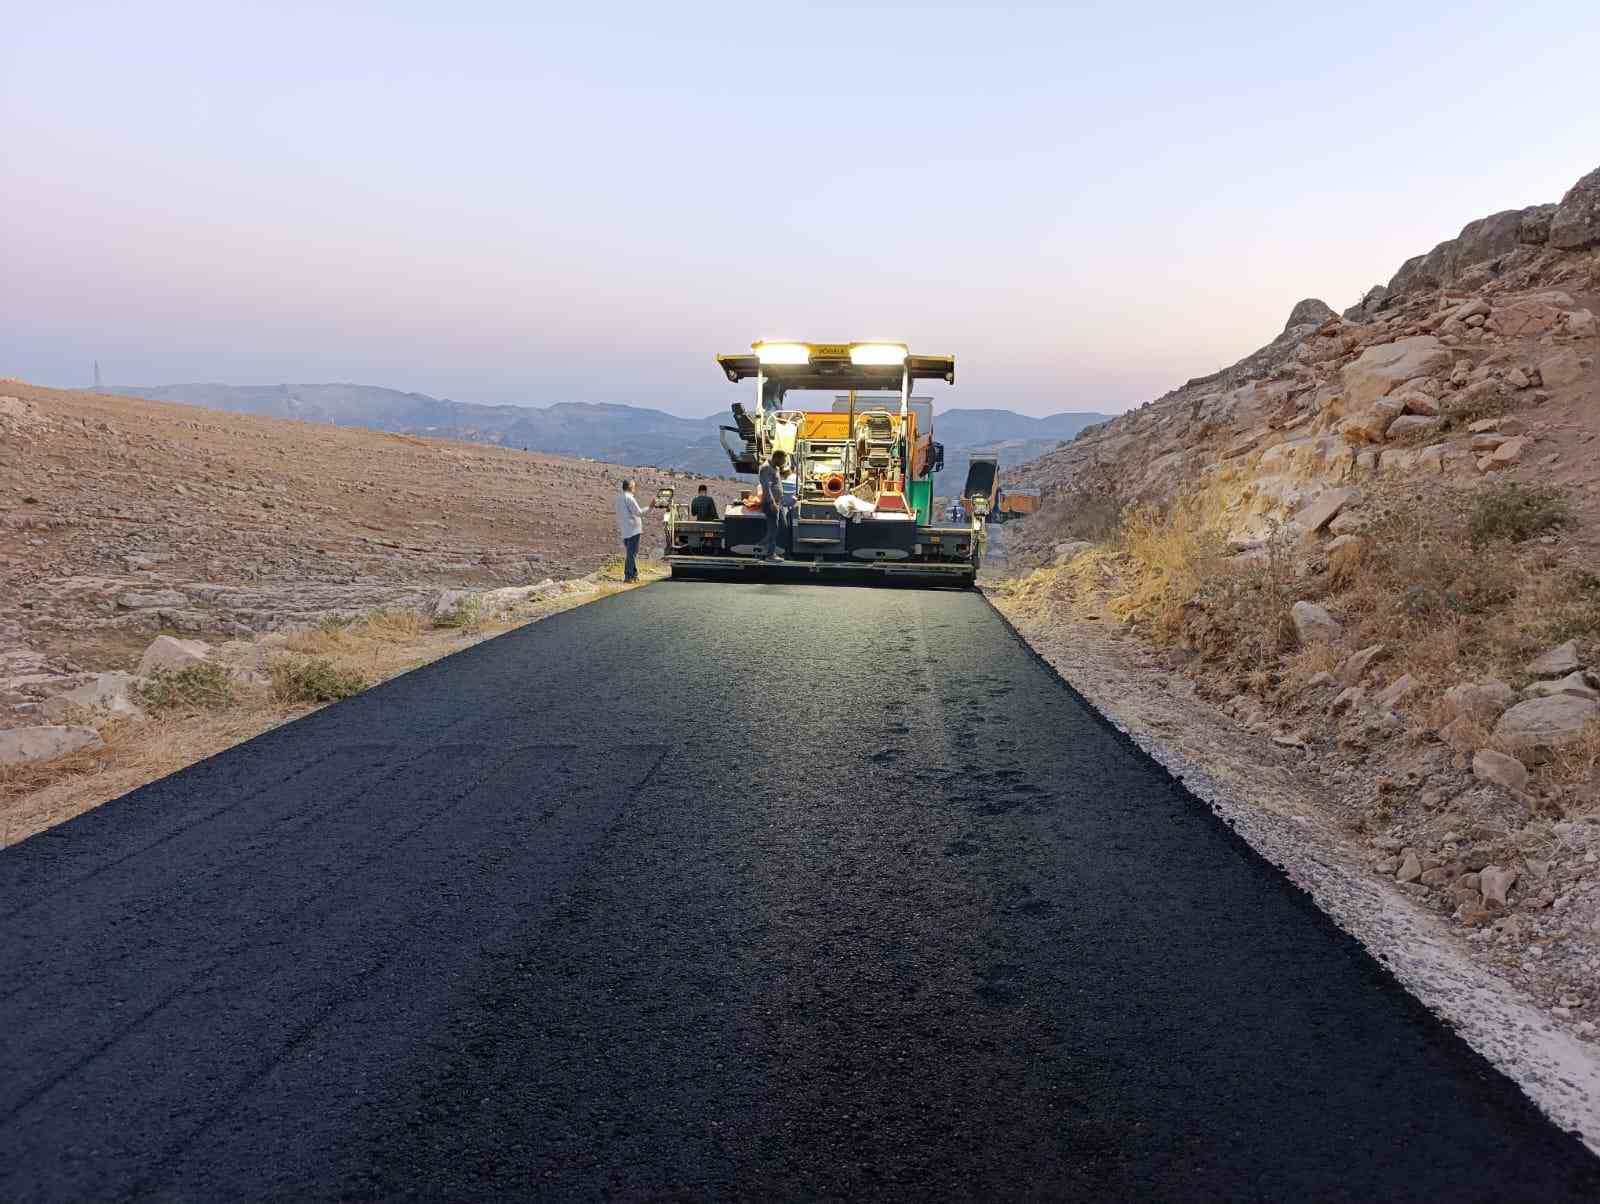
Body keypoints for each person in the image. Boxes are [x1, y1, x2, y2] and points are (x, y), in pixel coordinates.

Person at [614, 478, 653, 583]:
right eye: (634, 486)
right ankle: (628, 576)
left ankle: (634, 575)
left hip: (625, 529)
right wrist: (650, 507)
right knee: (631, 554)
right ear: (631, 487)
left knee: (631, 553)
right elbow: (639, 512)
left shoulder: (618, 498)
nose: (635, 488)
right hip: (633, 529)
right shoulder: (629, 498)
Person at [757, 449, 787, 562]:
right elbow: (766, 488)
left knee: (776, 528)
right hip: (770, 503)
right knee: (773, 528)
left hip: (776, 503)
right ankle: (770, 554)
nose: (783, 463)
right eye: (783, 460)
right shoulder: (766, 468)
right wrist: (772, 502)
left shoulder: (775, 467)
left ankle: (763, 545)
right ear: (777, 458)